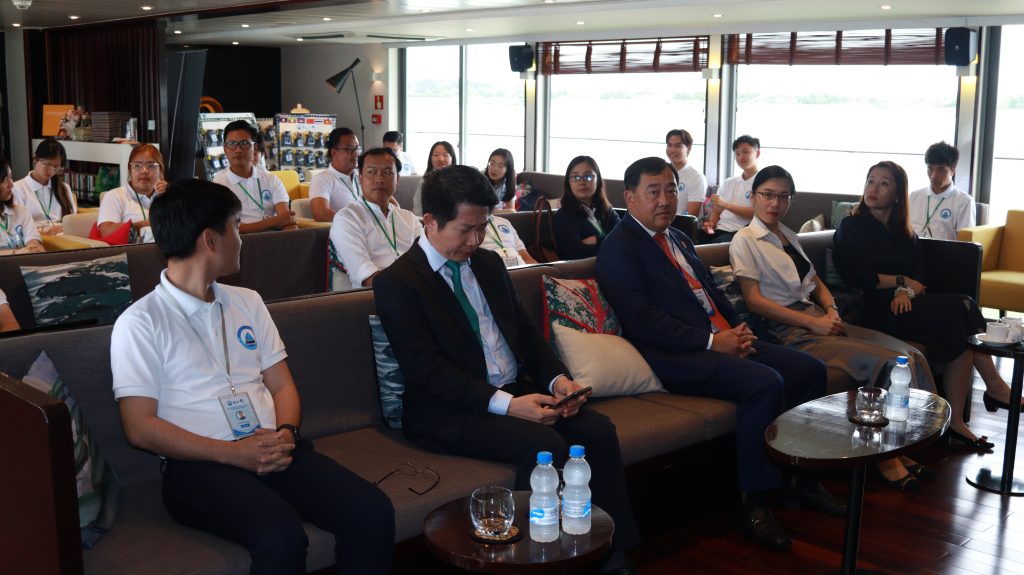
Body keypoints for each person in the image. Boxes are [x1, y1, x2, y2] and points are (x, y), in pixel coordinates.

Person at [110, 178, 394, 575]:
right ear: (210, 239)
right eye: (236, 227)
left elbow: (282, 385)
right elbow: (138, 427)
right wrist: (232, 453)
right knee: (280, 536)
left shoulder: (248, 301)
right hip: (198, 466)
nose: (241, 239)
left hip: (272, 447)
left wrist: (287, 434)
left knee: (371, 510)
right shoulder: (139, 322)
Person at [374, 165, 640, 575]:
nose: (475, 240)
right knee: (542, 445)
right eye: (465, 229)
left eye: (482, 227)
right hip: (448, 410)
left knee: (598, 430)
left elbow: (527, 334)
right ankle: (534, 562)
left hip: (515, 390)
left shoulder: (488, 264)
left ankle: (609, 555)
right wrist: (510, 406)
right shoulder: (399, 282)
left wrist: (558, 380)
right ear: (430, 221)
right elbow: (426, 370)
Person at [596, 157, 837, 551]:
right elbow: (644, 322)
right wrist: (712, 342)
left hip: (722, 339)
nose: (665, 200)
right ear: (630, 198)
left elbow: (712, 295)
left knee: (810, 369)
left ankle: (800, 479)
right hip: (673, 356)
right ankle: (753, 503)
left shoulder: (680, 238)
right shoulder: (619, 248)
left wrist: (738, 331)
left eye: (671, 190)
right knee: (765, 383)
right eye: (654, 192)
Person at [730, 165, 937, 491]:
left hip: (819, 317)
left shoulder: (788, 235)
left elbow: (816, 283)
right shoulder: (745, 240)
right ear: (753, 196)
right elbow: (754, 301)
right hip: (789, 330)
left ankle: (904, 443)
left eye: (783, 197)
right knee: (887, 362)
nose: (774, 203)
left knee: (910, 355)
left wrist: (830, 310)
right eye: (767, 194)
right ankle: (884, 457)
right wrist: (814, 322)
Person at [834, 161, 1019, 453]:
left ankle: (958, 419)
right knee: (961, 309)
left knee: (962, 313)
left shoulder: (904, 232)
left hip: (903, 305)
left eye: (884, 183)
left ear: (897, 193)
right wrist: (901, 281)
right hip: (868, 310)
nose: (874, 188)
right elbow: (859, 276)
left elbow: (919, 276)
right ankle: (994, 388)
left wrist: (904, 289)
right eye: (871, 181)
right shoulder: (852, 226)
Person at [330, 148, 422, 289]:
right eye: (371, 172)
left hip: (417, 290)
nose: (379, 179)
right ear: (360, 179)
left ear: (397, 179)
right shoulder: (347, 219)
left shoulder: (409, 218)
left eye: (387, 172)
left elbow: (427, 261)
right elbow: (368, 278)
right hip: (374, 295)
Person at [213, 120, 296, 234]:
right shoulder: (218, 185)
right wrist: (273, 222)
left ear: (255, 147)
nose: (238, 149)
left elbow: (287, 221)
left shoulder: (272, 180)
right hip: (240, 242)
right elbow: (227, 229)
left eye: (244, 143)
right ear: (225, 149)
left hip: (274, 240)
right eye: (232, 144)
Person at [553, 156, 620, 260]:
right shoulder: (563, 216)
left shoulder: (607, 210)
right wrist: (613, 245)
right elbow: (576, 254)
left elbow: (624, 238)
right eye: (576, 177)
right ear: (568, 182)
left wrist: (596, 240)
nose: (582, 182)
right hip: (586, 269)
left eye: (588, 176)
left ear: (598, 180)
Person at [97, 144, 167, 242]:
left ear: (160, 171)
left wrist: (171, 194)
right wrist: (148, 224)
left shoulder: (166, 195)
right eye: (137, 165)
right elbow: (106, 231)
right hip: (132, 251)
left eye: (151, 166)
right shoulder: (115, 196)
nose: (144, 171)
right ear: (130, 170)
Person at [909, 141, 975, 240]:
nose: (933, 175)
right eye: (930, 168)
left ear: (953, 170)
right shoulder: (913, 196)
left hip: (944, 249)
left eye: (940, 169)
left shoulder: (964, 201)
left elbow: (965, 242)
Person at [702, 135, 760, 244]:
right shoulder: (728, 183)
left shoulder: (762, 183)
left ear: (757, 153)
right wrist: (711, 223)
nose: (740, 157)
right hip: (720, 230)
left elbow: (757, 213)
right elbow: (717, 211)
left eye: (745, 152)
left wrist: (726, 205)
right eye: (737, 154)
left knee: (709, 247)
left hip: (741, 233)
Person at [13, 138, 77, 235]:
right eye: (47, 164)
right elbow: (15, 227)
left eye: (56, 167)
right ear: (36, 159)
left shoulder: (64, 188)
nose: (51, 170)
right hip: (35, 238)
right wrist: (45, 233)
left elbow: (72, 220)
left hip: (63, 237)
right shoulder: (17, 189)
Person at [308, 127, 362, 223]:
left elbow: (383, 202)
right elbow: (321, 214)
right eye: (350, 149)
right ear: (334, 152)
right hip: (344, 229)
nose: (356, 154)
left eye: (357, 149)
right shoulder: (322, 179)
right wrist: (357, 223)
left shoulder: (363, 176)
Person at [1, 159, 44, 255]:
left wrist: (34, 247)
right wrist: (16, 252)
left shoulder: (21, 211)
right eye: (5, 180)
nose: (11, 185)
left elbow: (33, 241)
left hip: (24, 262)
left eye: (11, 178)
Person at [665, 129, 708, 217]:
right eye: (669, 145)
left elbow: (691, 216)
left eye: (678, 146)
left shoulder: (696, 177)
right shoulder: (662, 173)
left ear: (688, 148)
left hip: (682, 224)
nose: (672, 150)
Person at [412, 141, 457, 216]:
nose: (441, 159)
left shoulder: (459, 181)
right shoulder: (424, 181)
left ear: (452, 159)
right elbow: (418, 209)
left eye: (445, 155)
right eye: (436, 155)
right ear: (431, 159)